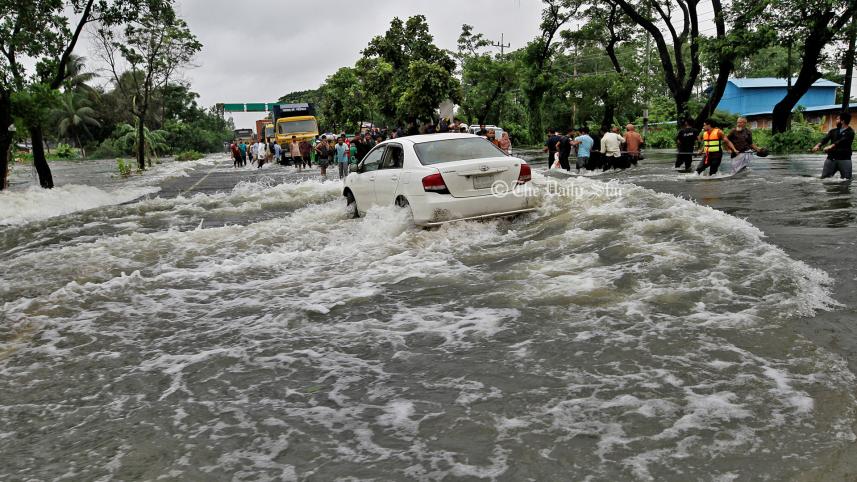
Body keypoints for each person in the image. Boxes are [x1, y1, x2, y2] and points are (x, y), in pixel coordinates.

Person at [813, 111, 854, 180]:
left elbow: (842, 141)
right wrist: (818, 145)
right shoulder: (833, 131)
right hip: (831, 158)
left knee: (846, 181)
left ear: (842, 121)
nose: (836, 121)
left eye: (837, 119)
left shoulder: (850, 132)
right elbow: (825, 139)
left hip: (844, 159)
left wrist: (831, 146)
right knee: (824, 179)